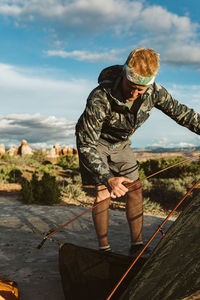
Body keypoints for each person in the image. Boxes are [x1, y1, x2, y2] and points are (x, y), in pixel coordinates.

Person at [75, 48, 200, 254]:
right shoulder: (99, 97)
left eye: (140, 90)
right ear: (124, 75)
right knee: (103, 193)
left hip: (122, 143)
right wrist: (108, 177)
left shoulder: (155, 92)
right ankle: (104, 249)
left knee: (135, 188)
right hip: (96, 142)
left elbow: (183, 114)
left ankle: (137, 246)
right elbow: (86, 144)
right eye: (131, 87)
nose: (134, 94)